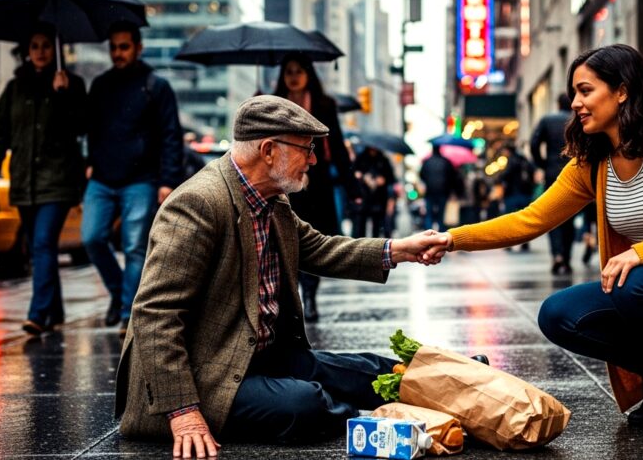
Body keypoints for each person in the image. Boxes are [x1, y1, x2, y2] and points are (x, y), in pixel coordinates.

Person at [425, 44, 643, 436]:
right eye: (574, 93)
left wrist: (642, 252)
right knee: (558, 314)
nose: (575, 103)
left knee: (632, 284)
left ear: (622, 90)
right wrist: (451, 239)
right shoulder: (593, 163)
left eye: (585, 91)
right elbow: (531, 219)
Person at [114, 96, 449, 458]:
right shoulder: (198, 204)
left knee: (367, 371)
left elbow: (321, 249)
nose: (314, 159)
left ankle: (456, 381)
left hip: (258, 357)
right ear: (269, 150)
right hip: (201, 377)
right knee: (304, 403)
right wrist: (183, 414)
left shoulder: (272, 201)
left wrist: (400, 249)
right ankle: (359, 414)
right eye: (306, 148)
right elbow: (154, 314)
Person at [0, 24, 87, 336]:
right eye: (35, 45)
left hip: (57, 182)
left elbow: (83, 127)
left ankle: (38, 314)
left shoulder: (71, 84)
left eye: (45, 45)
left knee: (42, 243)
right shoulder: (14, 89)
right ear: (27, 51)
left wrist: (63, 95)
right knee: (41, 247)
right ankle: (54, 310)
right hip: (24, 183)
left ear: (55, 50)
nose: (40, 51)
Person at [81, 22, 184, 333]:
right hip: (101, 178)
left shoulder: (157, 86)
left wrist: (167, 181)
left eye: (124, 47)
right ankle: (118, 293)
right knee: (92, 239)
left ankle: (128, 312)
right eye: (113, 47)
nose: (117, 53)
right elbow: (88, 128)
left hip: (141, 179)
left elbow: (171, 137)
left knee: (134, 247)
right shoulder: (100, 85)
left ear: (138, 48)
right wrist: (89, 161)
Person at [270, 53, 360, 322]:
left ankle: (309, 296)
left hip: (316, 181)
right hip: (282, 181)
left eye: (299, 71)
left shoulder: (323, 104)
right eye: (289, 71)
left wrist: (352, 186)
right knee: (283, 238)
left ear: (309, 74)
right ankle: (292, 296)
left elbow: (338, 145)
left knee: (311, 240)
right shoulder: (272, 104)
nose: (294, 76)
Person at [531, 93, 577, 274]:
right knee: (570, 216)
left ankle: (557, 254)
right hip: (574, 171)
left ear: (557, 104)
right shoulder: (577, 120)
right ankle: (566, 256)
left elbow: (535, 144)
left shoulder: (547, 120)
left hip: (552, 172)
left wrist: (542, 164)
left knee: (552, 214)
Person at [352, 145, 397, 237]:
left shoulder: (383, 160)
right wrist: (359, 176)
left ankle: (375, 245)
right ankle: (361, 243)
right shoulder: (361, 157)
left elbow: (391, 177)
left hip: (379, 197)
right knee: (361, 222)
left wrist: (383, 180)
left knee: (376, 223)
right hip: (364, 195)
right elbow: (354, 171)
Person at [498, 144, 535, 252]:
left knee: (509, 219)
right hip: (526, 194)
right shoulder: (525, 160)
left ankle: (508, 242)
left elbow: (506, 174)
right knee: (525, 220)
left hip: (512, 194)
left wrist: (499, 178)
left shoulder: (512, 160)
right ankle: (525, 242)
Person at [420, 144, 463, 231]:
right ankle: (441, 235)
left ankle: (428, 233)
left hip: (430, 192)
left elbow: (421, 175)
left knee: (429, 214)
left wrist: (428, 182)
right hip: (443, 192)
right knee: (441, 214)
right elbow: (452, 177)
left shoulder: (427, 162)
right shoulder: (446, 161)